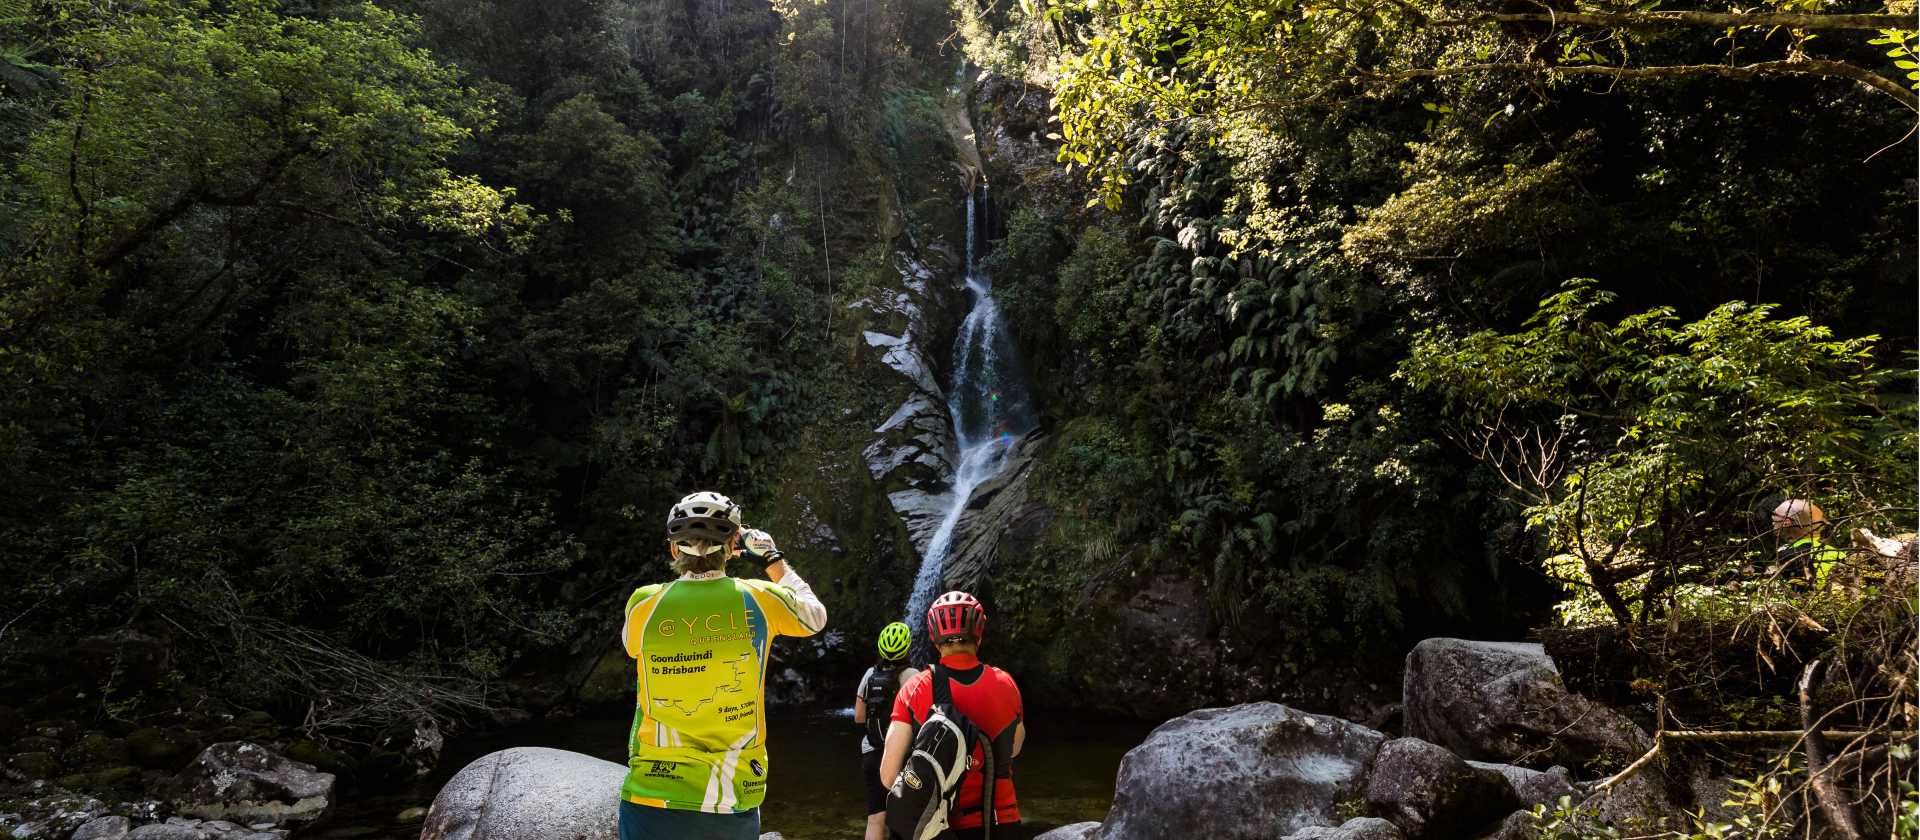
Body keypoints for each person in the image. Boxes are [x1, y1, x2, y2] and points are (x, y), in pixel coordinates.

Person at [618, 491, 828, 840]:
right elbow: (815, 616)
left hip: (650, 792)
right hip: (728, 796)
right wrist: (771, 557)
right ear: (733, 547)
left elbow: (631, 647)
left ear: (674, 549)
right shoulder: (759, 598)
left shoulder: (644, 603)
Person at [878, 591, 1027, 840]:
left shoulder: (915, 688)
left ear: (934, 639)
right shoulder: (1006, 684)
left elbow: (888, 775)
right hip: (1000, 822)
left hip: (939, 828)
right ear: (979, 635)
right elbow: (1014, 748)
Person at [856, 622, 918, 840]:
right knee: (906, 815)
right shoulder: (914, 676)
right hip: (903, 754)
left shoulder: (869, 674)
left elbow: (859, 716)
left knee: (875, 818)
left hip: (872, 751)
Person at [1769, 498, 1845, 590]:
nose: (1773, 524)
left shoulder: (1785, 554)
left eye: (1775, 521)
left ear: (1787, 523)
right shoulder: (1839, 553)